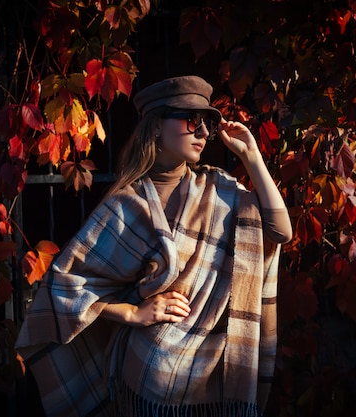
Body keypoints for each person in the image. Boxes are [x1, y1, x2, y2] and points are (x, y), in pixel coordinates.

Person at [15, 75, 292, 417]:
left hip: (216, 375)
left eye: (207, 123)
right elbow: (62, 290)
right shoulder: (127, 204)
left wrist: (253, 158)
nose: (204, 133)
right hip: (148, 379)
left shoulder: (220, 190)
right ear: (157, 125)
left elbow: (280, 232)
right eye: (193, 121)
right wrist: (134, 313)